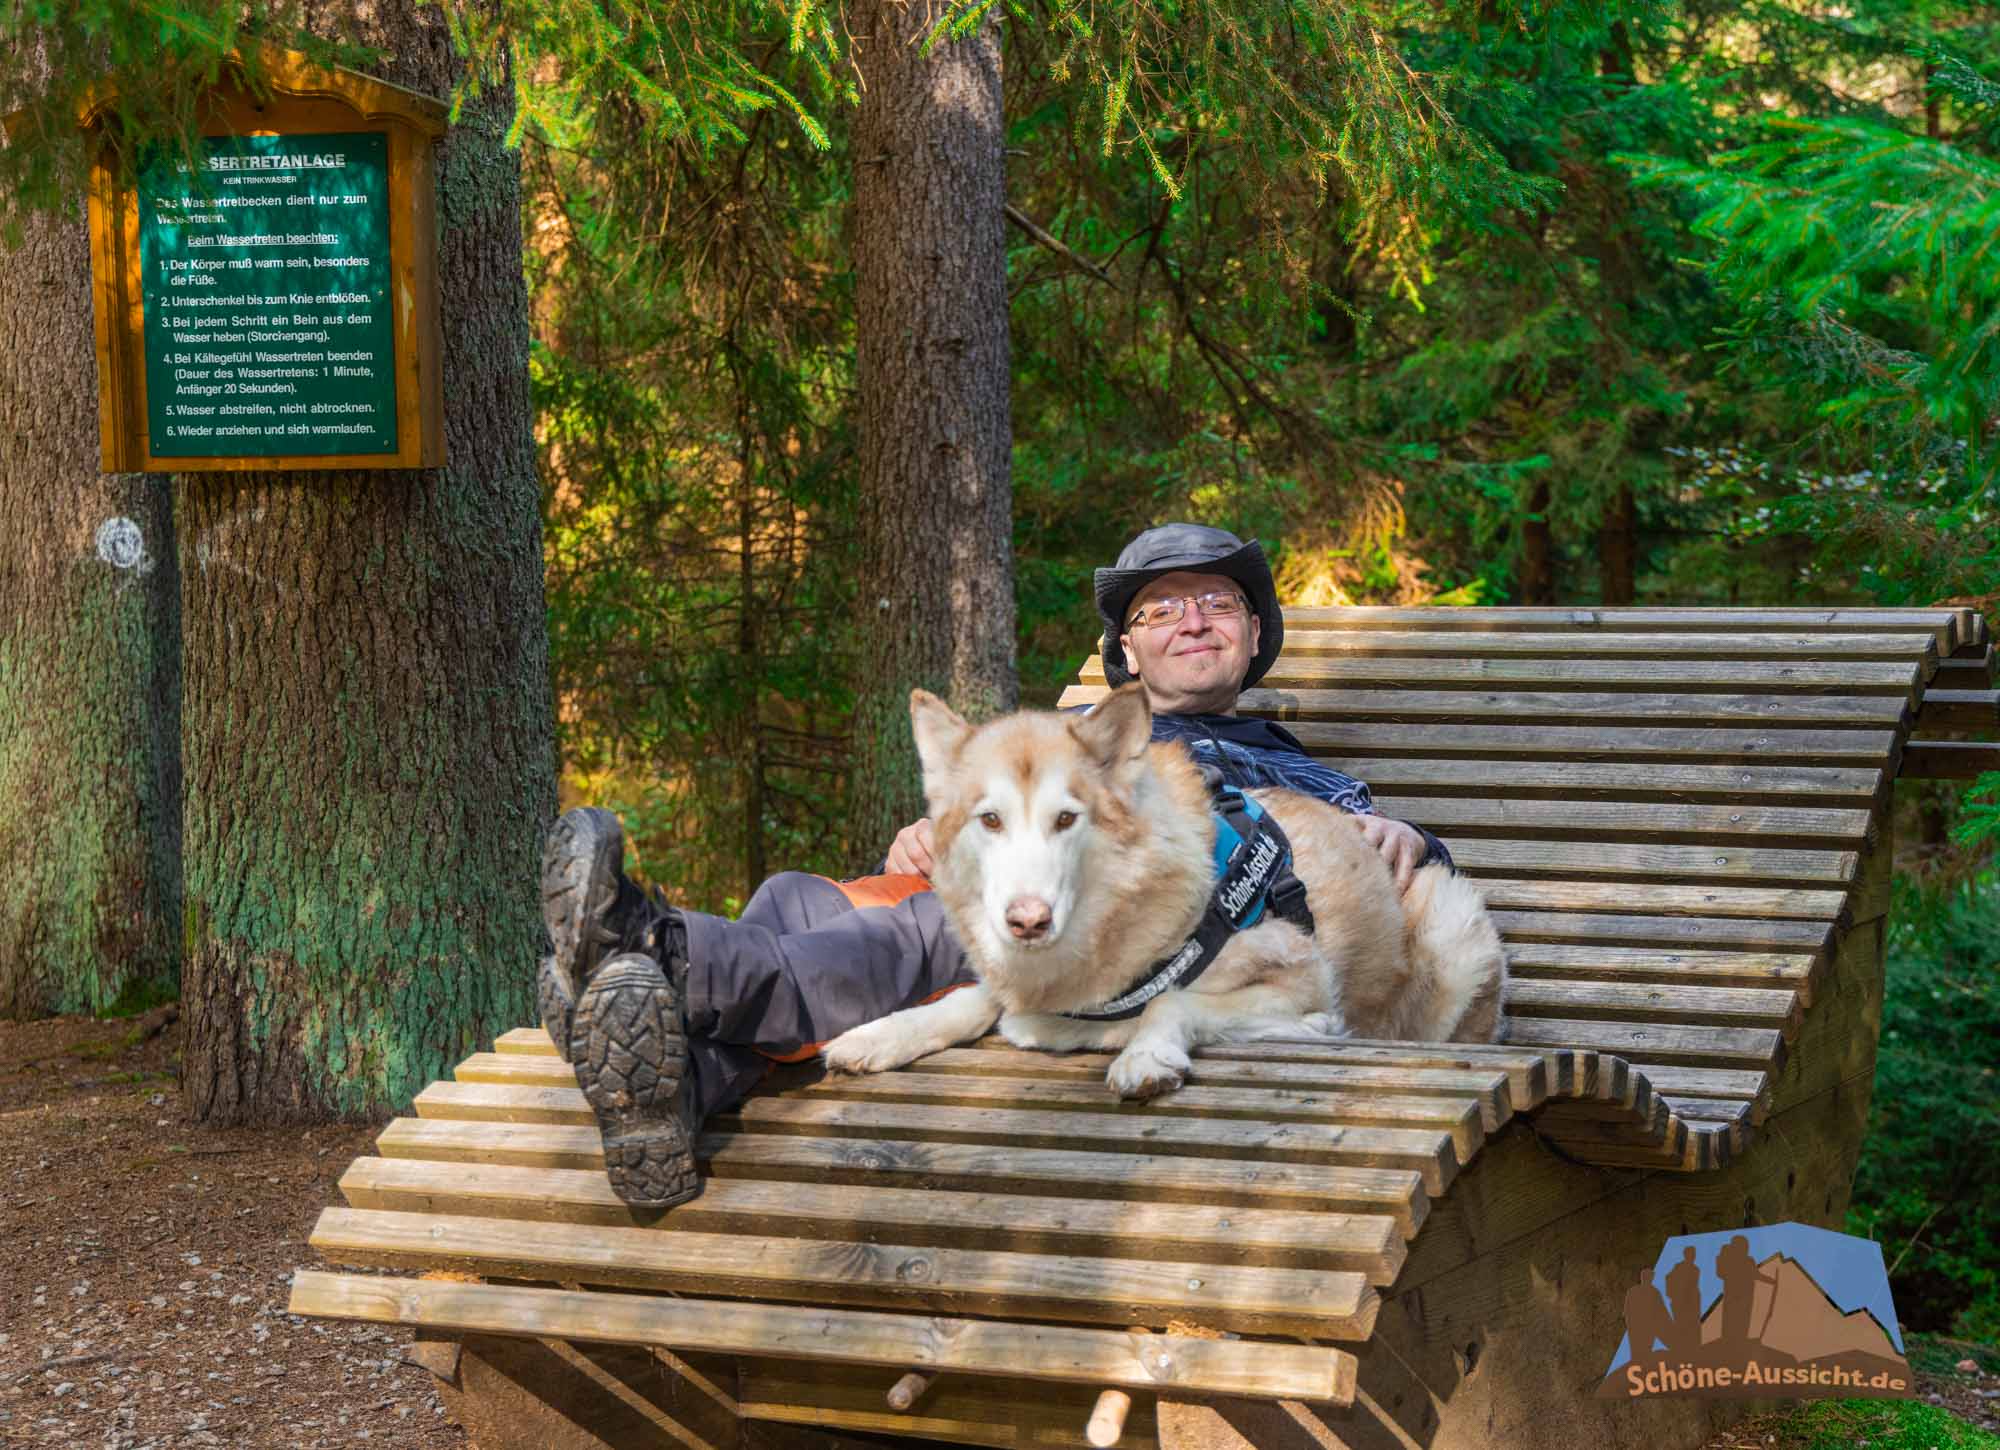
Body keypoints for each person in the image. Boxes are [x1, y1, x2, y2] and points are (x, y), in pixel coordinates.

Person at [538, 523, 1454, 1208]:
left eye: (1218, 603)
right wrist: (938, 830)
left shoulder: (1299, 768)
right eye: (1160, 608)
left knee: (904, 937)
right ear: (1126, 649)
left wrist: (1409, 838)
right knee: (791, 899)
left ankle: (653, 951)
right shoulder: (1064, 733)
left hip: (1072, 924)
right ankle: (682, 1080)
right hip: (975, 876)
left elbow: (1362, 871)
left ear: (1255, 637)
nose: (1192, 620)